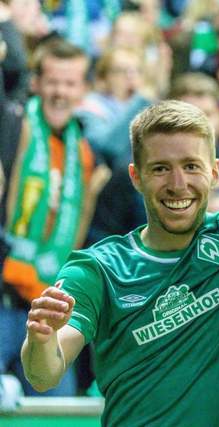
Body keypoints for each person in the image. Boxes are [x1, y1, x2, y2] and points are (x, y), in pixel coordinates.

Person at [20, 101, 219, 425]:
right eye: (160, 169)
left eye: (191, 166)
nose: (177, 184)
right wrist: (41, 339)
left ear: (214, 173)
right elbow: (44, 376)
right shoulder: (98, 268)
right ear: (136, 177)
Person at [1, 37, 109, 396]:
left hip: (50, 304)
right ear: (35, 83)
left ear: (84, 91)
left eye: (70, 83)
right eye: (52, 82)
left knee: (57, 409)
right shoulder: (14, 128)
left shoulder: (86, 150)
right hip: (3, 297)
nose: (60, 92)